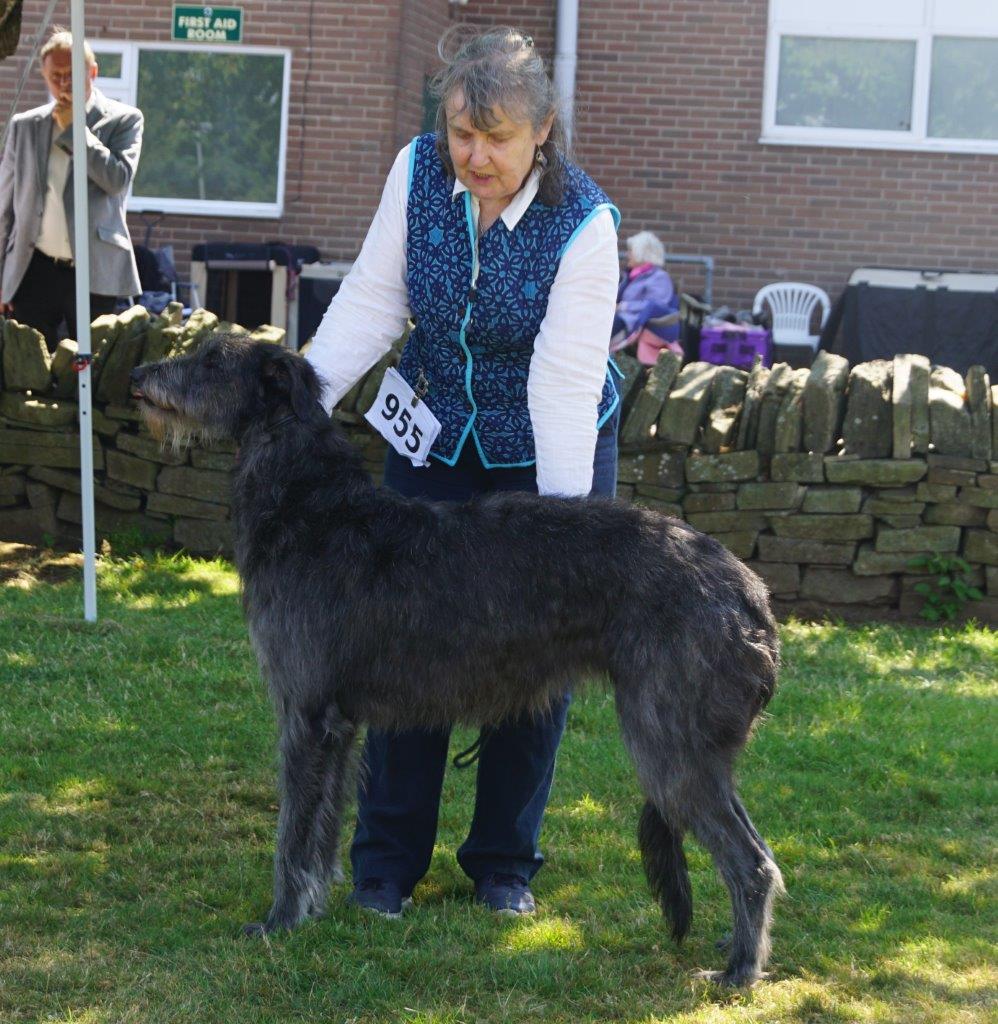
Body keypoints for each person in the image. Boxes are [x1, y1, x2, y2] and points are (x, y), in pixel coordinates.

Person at [305, 26, 621, 918]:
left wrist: (563, 543)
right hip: (434, 436)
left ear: (543, 132)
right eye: (461, 133)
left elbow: (562, 388)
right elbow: (373, 298)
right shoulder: (414, 173)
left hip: (546, 449)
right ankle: (385, 864)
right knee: (403, 647)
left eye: (498, 138)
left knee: (532, 652)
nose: (475, 156)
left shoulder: (586, 226)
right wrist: (301, 401)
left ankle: (503, 864)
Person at [0, 27, 143, 351]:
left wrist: (76, 131)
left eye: (72, 75)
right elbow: (5, 207)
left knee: (91, 372)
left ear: (92, 72)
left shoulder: (124, 120)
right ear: (44, 76)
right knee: (29, 369)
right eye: (56, 77)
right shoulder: (25, 126)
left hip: (94, 270)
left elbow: (117, 180)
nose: (64, 84)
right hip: (34, 266)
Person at [611, 230, 681, 365]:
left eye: (631, 251)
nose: (627, 255)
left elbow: (655, 305)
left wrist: (622, 307)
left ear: (641, 253)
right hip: (623, 320)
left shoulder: (659, 277)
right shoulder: (631, 276)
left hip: (631, 324)